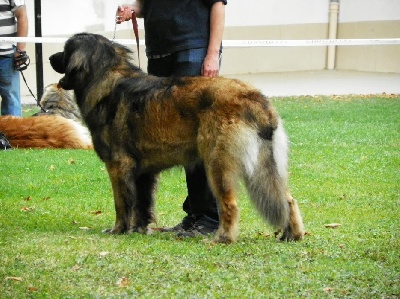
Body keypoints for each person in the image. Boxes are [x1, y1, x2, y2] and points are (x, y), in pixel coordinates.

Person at [117, 0, 227, 237]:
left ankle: (209, 217)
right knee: (173, 137)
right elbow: (148, 6)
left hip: (192, 52)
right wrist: (131, 10)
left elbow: (218, 5)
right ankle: (195, 214)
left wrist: (212, 55)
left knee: (197, 138)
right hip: (159, 55)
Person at [0, 0, 29, 116]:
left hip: (7, 54)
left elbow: (22, 16)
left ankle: (13, 134)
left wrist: (20, 49)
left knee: (11, 98)